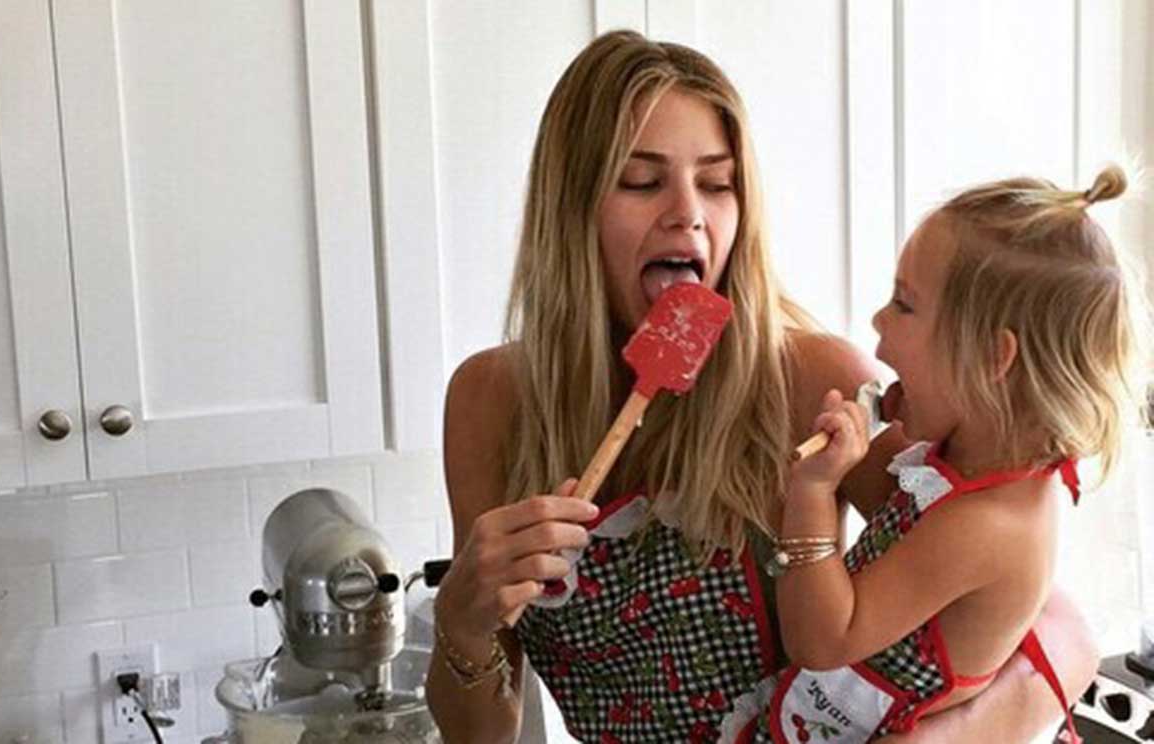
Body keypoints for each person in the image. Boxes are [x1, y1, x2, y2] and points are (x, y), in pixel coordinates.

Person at [425, 29, 1100, 743]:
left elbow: (1057, 625)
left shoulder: (814, 383)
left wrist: (942, 740)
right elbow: (482, 735)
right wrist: (462, 619)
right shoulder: (490, 403)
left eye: (717, 183)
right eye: (642, 180)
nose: (689, 212)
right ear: (572, 207)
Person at [727, 166, 1151, 743]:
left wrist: (812, 493)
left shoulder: (987, 524)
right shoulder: (969, 467)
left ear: (991, 357)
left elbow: (822, 641)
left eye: (903, 304)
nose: (878, 319)